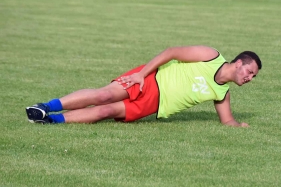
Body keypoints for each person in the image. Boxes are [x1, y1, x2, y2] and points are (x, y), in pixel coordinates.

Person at [25, 45, 262, 127]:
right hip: (150, 79)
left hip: (155, 106)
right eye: (250, 72)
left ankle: (49, 120)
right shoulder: (211, 56)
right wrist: (141, 74)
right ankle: (47, 106)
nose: (249, 78)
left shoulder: (222, 93)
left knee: (106, 112)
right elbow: (171, 52)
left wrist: (239, 125)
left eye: (253, 77)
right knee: (105, 95)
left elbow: (227, 121)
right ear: (238, 62)